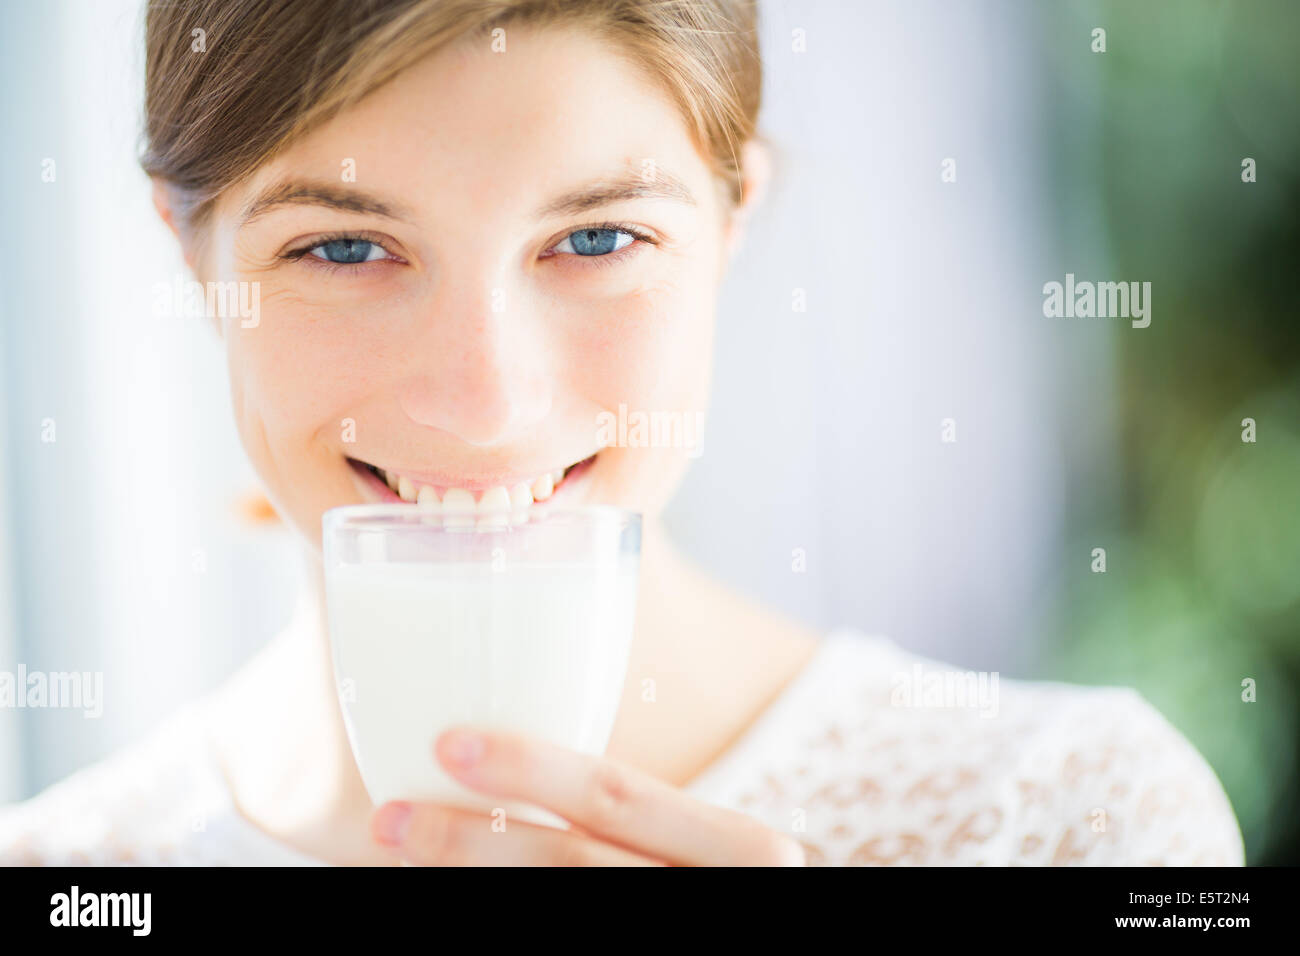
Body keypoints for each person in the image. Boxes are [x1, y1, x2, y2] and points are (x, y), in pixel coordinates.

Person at [0, 0, 1243, 866]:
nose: (485, 405)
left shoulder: (1064, 822)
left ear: (732, 221)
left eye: (595, 240)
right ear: (190, 253)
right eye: (340, 246)